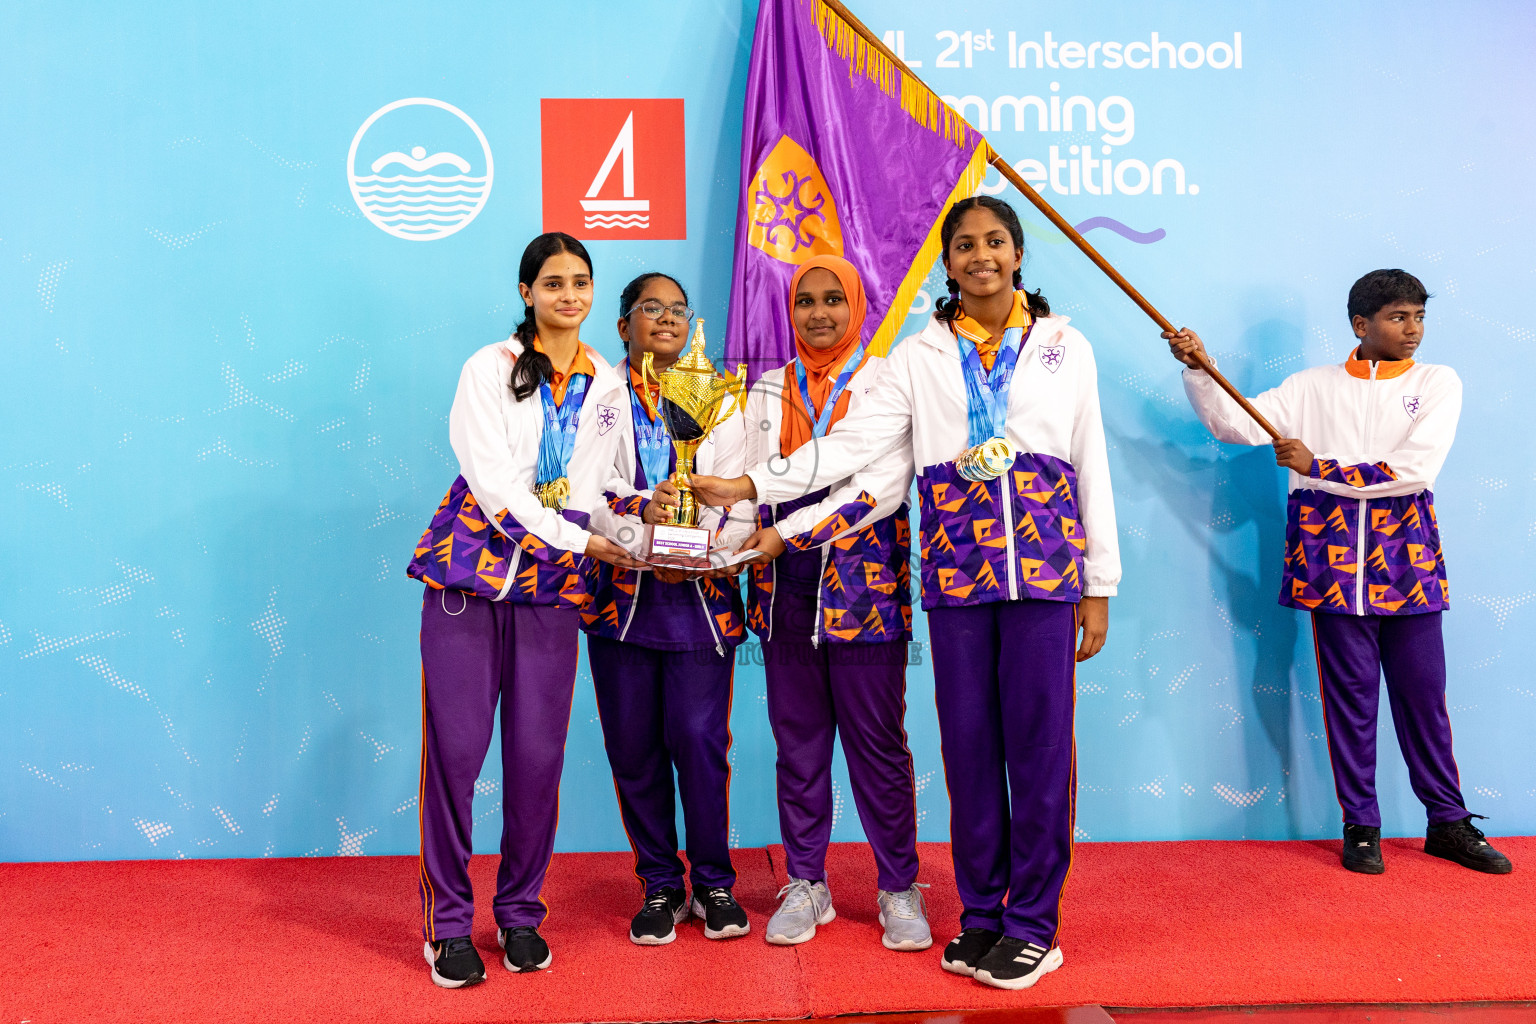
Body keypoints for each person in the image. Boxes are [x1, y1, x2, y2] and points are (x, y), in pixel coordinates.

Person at [690, 197, 1120, 991]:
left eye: (995, 242)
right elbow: (852, 449)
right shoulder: (917, 359)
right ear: (947, 264)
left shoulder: (1064, 346)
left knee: (1036, 747)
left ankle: (1034, 925)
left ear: (1018, 255)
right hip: (958, 579)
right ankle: (984, 914)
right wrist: (750, 483)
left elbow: (1090, 457)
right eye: (964, 245)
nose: (980, 255)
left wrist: (1100, 584)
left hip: (1048, 573)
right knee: (967, 751)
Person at [1165, 268, 1512, 877]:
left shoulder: (1437, 383)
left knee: (1423, 697)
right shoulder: (1310, 387)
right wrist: (1199, 368)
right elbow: (1235, 423)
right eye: (1398, 317)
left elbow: (1415, 469)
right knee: (1348, 701)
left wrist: (1319, 465)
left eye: (1419, 317)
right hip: (1330, 569)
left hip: (1407, 567)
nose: (1413, 330)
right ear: (1361, 325)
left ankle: (1448, 822)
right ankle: (1361, 824)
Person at [406, 232, 643, 988]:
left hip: (550, 594)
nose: (568, 296)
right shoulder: (490, 368)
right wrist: (580, 538)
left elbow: (597, 491)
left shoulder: (608, 384)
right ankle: (446, 926)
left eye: (580, 283)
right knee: (455, 757)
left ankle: (519, 914)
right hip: (467, 585)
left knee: (537, 761)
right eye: (552, 283)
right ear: (526, 293)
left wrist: (638, 533)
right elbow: (494, 482)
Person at [732, 254, 928, 951]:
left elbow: (885, 485)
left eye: (833, 301)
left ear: (858, 307)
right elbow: (739, 481)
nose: (819, 314)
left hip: (866, 590)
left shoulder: (885, 381)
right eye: (806, 301)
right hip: (784, 590)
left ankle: (898, 886)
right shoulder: (766, 390)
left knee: (878, 747)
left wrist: (784, 531)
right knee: (800, 745)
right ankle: (806, 882)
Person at [580, 272, 754, 944]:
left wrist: (706, 542)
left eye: (679, 308)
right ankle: (659, 883)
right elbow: (579, 490)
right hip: (620, 599)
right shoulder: (596, 396)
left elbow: (744, 498)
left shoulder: (722, 395)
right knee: (633, 748)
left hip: (701, 600)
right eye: (650, 308)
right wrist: (639, 520)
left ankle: (713, 882)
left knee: (702, 744)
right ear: (623, 325)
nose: (667, 318)